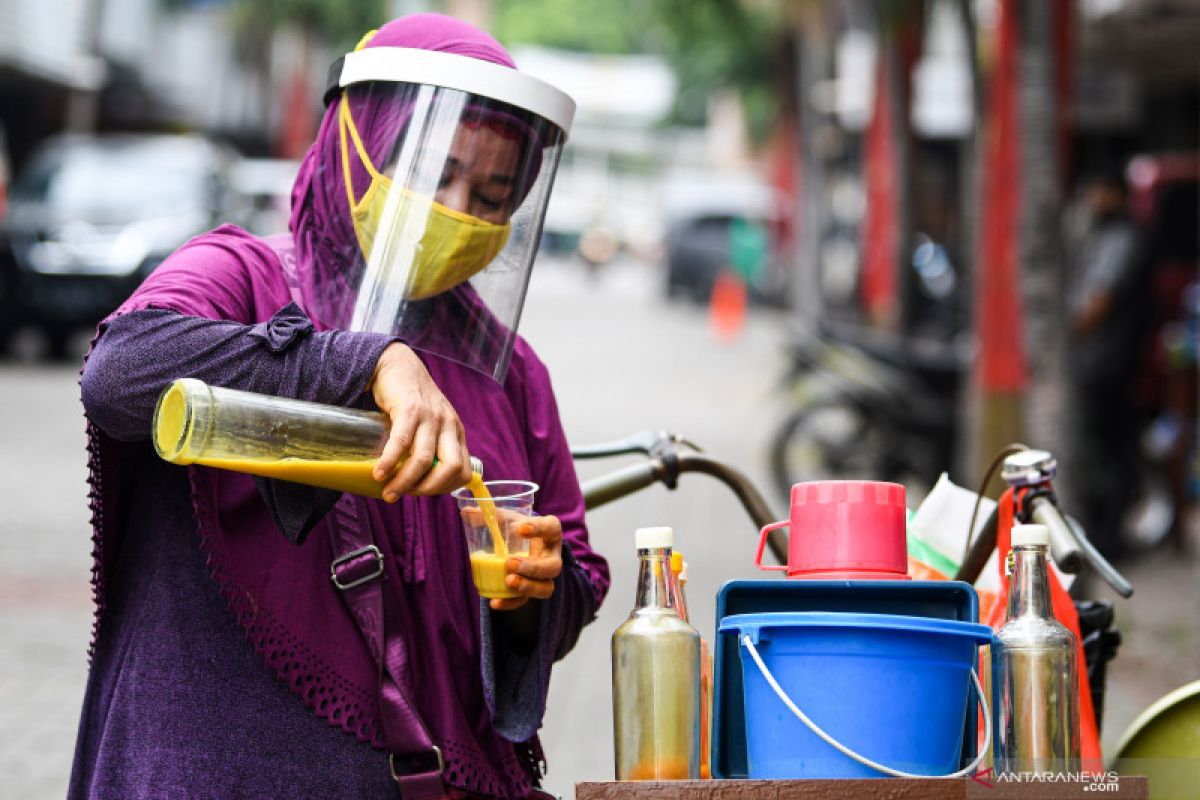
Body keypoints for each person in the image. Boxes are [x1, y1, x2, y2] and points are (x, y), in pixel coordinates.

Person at [69, 14, 610, 800]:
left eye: (493, 195)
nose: (458, 210)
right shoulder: (236, 275)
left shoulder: (514, 375)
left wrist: (530, 596)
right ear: (355, 141)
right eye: (433, 171)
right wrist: (363, 360)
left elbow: (574, 571)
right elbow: (120, 374)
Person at [1065, 168, 1150, 561]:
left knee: (1110, 452)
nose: (1093, 200)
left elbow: (1098, 303)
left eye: (1100, 191)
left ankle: (1111, 537)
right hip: (1102, 364)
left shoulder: (1123, 238)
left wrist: (1066, 333)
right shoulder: (1101, 235)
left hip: (1111, 366)